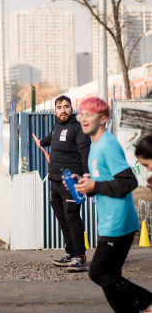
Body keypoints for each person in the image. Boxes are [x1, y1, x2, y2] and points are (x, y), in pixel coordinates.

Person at [72, 97, 152, 313]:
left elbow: (128, 182)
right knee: (110, 278)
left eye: (90, 114)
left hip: (118, 224)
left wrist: (95, 186)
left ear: (104, 118)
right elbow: (103, 183)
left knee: (98, 273)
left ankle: (146, 301)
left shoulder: (108, 145)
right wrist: (84, 185)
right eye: (82, 114)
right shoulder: (95, 147)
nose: (83, 119)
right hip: (109, 223)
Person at [37, 95, 91, 272]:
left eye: (66, 106)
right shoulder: (56, 126)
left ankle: (80, 257)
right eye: (59, 107)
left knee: (73, 218)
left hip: (71, 182)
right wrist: (41, 142)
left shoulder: (78, 128)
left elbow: (85, 151)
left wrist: (86, 174)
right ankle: (70, 253)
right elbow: (50, 139)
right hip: (55, 181)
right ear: (55, 111)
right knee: (63, 220)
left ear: (71, 108)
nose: (63, 110)